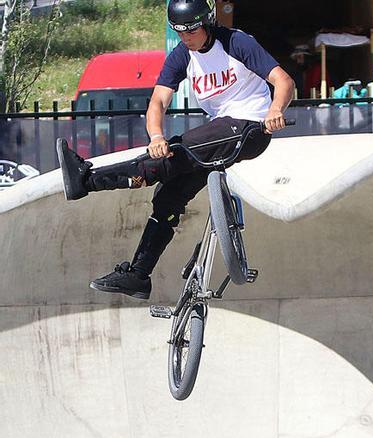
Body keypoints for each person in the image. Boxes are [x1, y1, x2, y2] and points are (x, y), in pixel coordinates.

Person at [56, 0, 294, 300]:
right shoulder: (182, 55)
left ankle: (87, 179)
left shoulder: (236, 42)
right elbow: (157, 102)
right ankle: (139, 275)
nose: (186, 38)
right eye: (178, 31)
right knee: (169, 195)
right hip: (221, 131)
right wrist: (156, 136)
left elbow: (283, 80)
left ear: (206, 22)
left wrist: (275, 109)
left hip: (249, 128)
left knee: (174, 155)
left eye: (191, 31)